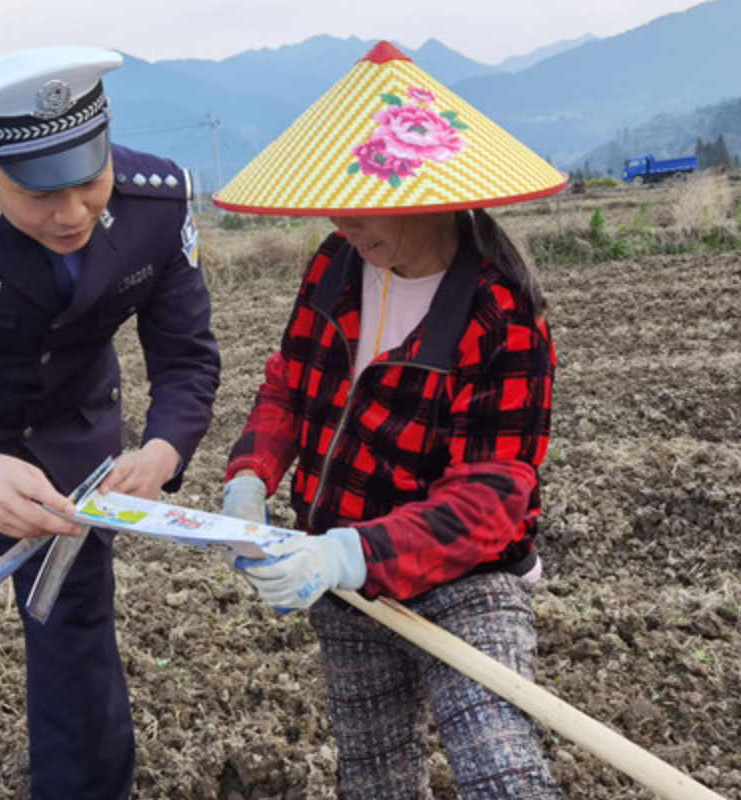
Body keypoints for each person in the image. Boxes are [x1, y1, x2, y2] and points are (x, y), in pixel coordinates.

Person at [0, 46, 220, 800]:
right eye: (40, 194)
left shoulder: (158, 202)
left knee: (78, 669)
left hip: (72, 476)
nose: (73, 212)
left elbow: (186, 360)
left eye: (88, 182)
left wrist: (159, 453)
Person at [215, 42, 565, 799]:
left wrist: (353, 551)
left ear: (430, 193)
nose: (343, 220)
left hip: (466, 579)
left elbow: (492, 496)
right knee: (375, 775)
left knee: (499, 764)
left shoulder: (500, 316)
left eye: (363, 201)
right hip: (340, 569)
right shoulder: (335, 267)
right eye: (337, 198)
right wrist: (250, 475)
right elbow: (288, 385)